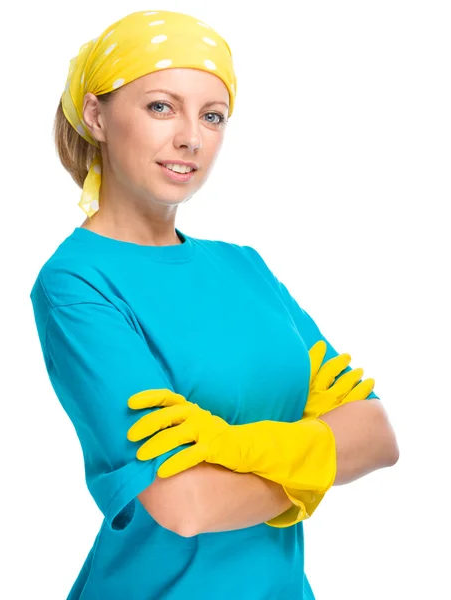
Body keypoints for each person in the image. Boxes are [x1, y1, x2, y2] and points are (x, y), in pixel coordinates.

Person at [29, 9, 399, 599]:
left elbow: (378, 435)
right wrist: (317, 467)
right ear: (97, 116)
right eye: (160, 107)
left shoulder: (244, 267)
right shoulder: (77, 283)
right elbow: (186, 502)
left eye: (213, 115)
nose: (190, 137)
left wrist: (234, 448)